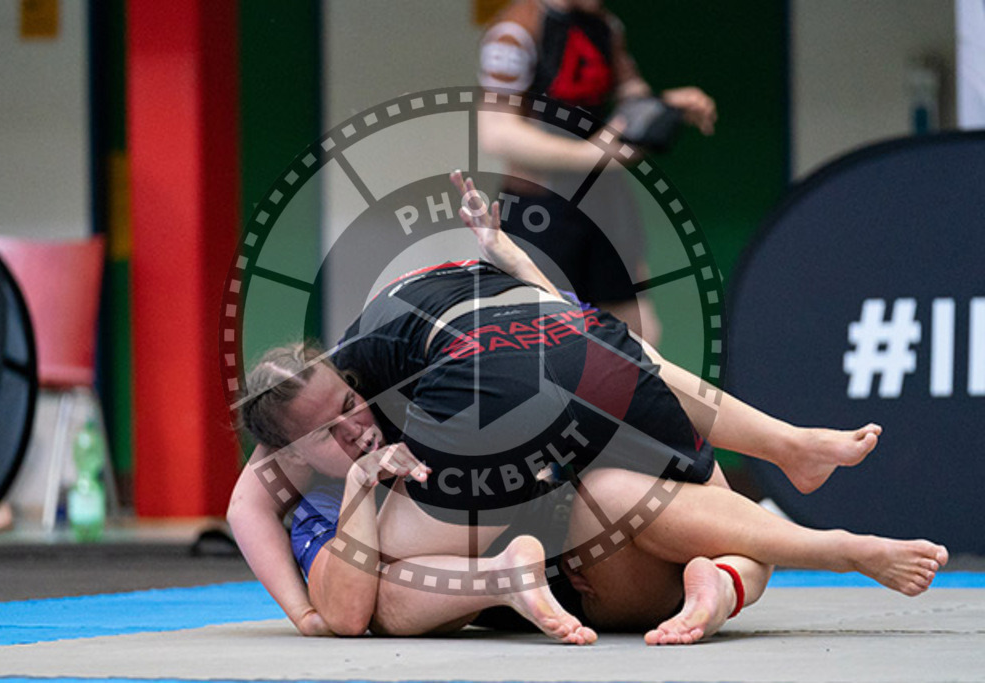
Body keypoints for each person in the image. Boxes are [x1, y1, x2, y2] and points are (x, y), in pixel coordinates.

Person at [228, 173, 948, 644]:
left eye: (352, 404)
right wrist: (307, 604)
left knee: (620, 443)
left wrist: (509, 253)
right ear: (283, 458)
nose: (357, 425)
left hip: (577, 517)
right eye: (329, 430)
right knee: (383, 590)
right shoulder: (312, 491)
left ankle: (788, 534)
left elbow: (565, 326)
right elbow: (277, 539)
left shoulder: (388, 372)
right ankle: (771, 521)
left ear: (355, 377)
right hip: (574, 554)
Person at [478, 0, 717, 343]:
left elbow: (631, 103)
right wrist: (588, 154)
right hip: (542, 209)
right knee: (542, 341)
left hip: (604, 203)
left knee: (640, 336)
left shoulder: (604, 25)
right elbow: (496, 132)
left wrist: (666, 108)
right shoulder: (516, 30)